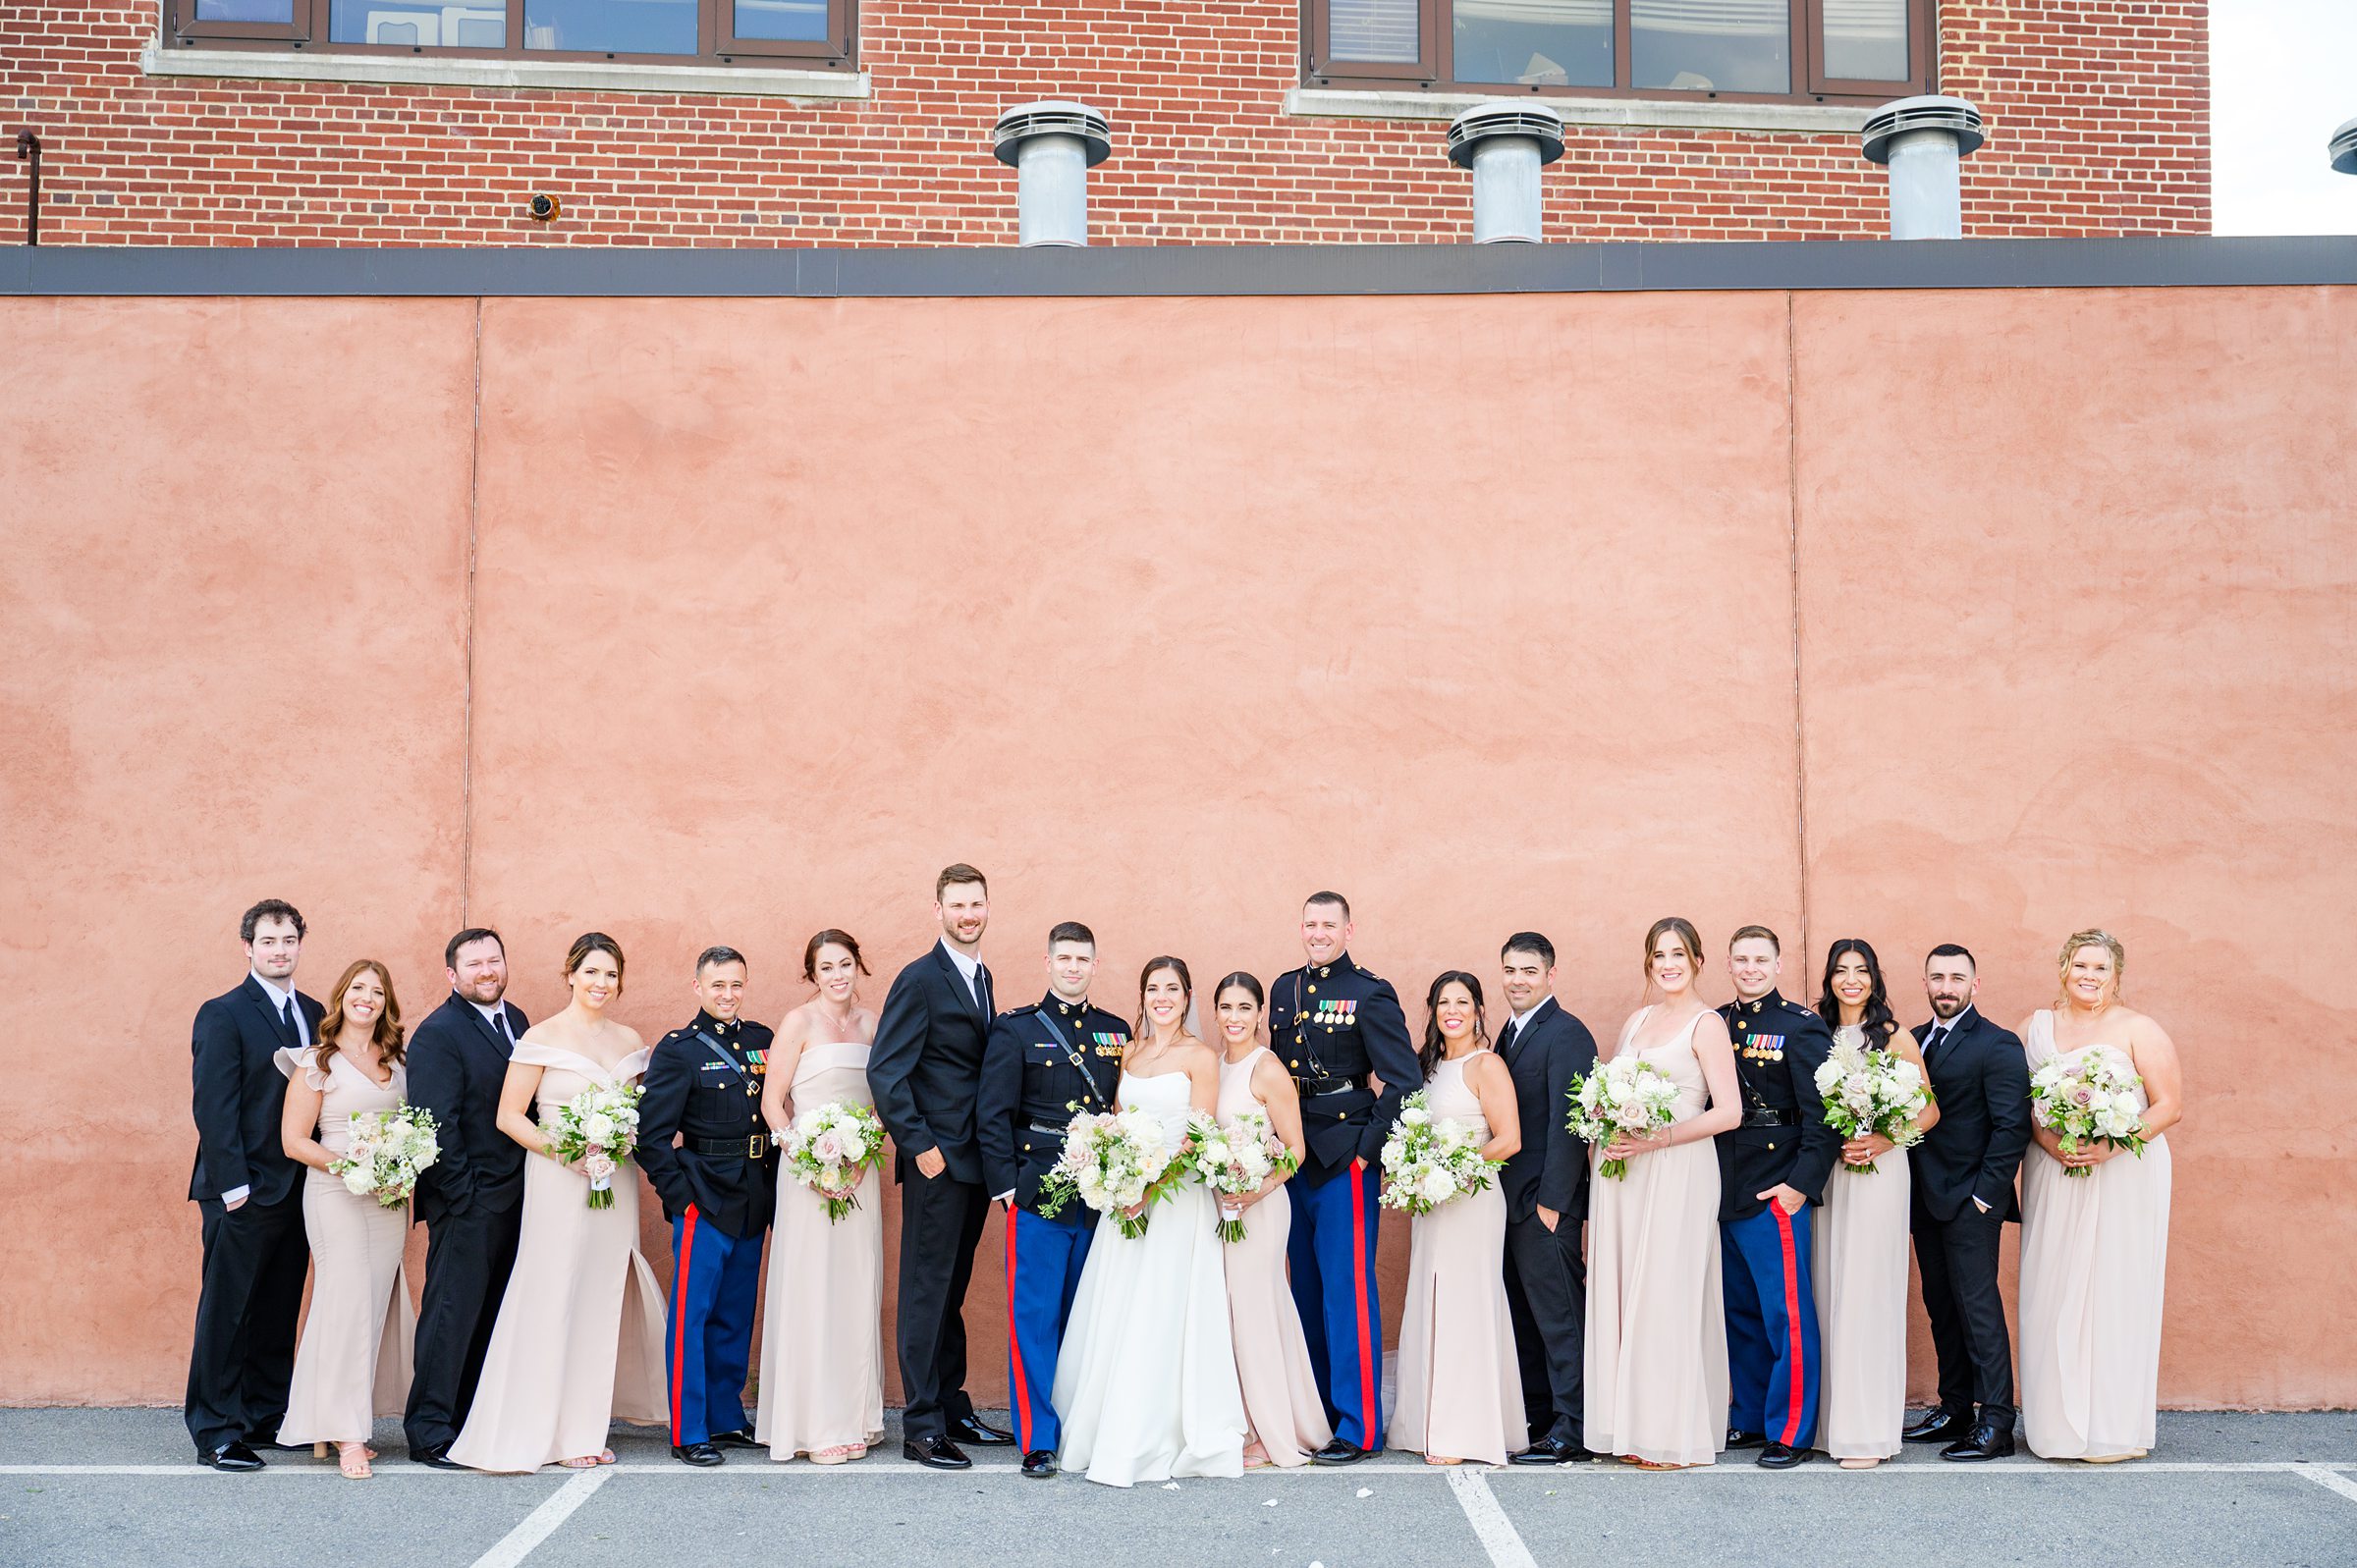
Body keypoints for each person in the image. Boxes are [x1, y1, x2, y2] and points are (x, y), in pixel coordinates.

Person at [450, 933, 666, 1472]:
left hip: (613, 1183)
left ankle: (582, 1429)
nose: (601, 983)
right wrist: (566, 1152)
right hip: (558, 1180)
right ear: (570, 974)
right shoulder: (540, 1037)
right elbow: (510, 1117)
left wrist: (615, 1143)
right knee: (553, 1294)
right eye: (591, 972)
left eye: (611, 974)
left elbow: (636, 1116)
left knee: (600, 1297)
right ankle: (535, 1428)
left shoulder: (629, 1039)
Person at [1051, 957, 1247, 1487]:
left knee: (1163, 1306)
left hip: (1175, 1199)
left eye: (1172, 989)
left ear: (1187, 997)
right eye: (1153, 989)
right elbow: (1117, 1124)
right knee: (1120, 1305)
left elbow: (1198, 1136)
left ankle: (1157, 1431)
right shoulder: (1130, 1052)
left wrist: (1149, 1188)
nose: (1162, 997)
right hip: (1127, 1199)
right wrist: (1115, 1177)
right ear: (1142, 997)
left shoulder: (1201, 1057)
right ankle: (1105, 1421)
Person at [867, 864, 1014, 1469]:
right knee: (926, 1292)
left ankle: (953, 1409)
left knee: (951, 1289)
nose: (968, 914)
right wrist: (919, 1146)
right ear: (938, 911)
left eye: (976, 904)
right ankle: (921, 1426)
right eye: (957, 905)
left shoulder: (980, 977)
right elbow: (886, 1070)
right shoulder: (920, 979)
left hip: (973, 1164)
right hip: (936, 1164)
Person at [2016, 930, 2181, 1463]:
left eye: (2101, 968)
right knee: (2053, 1284)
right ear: (2064, 968)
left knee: (2115, 1287)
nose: (2090, 976)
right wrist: (2054, 1145)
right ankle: (2055, 1426)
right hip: (2054, 1169)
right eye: (2080, 965)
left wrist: (2108, 1147)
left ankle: (2110, 1427)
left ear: (2117, 975)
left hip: (2124, 1172)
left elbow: (2168, 1105)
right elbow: (2019, 1107)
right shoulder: (2035, 1028)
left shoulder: (2139, 1029)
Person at [1268, 892, 1419, 1463]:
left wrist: (1365, 1150)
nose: (1318, 933)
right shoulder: (1284, 989)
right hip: (1293, 1154)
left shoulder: (1370, 993)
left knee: (1346, 1293)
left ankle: (1358, 1426)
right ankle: (1319, 1415)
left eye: (1329, 924)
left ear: (1349, 930)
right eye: (1310, 924)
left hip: (1344, 1157)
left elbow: (1403, 1080)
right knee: (1304, 1290)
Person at [1585, 917, 1741, 1470]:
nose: (1668, 964)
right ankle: (1628, 1425)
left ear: (1698, 960)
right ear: (1648, 963)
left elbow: (1729, 1111)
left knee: (1667, 1291)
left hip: (1677, 1169)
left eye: (1678, 953)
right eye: (1658, 955)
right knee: (1628, 1291)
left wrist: (1658, 1138)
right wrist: (1601, 1120)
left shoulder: (1707, 1026)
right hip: (1623, 1172)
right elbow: (1606, 1088)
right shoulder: (1637, 1020)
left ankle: (1669, 1432)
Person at [976, 922, 1128, 1479]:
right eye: (1063, 958)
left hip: (1100, 1196)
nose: (1072, 967)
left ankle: (1080, 1426)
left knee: (1086, 1317)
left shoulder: (1115, 1032)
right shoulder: (1015, 1030)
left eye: (1082, 959)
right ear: (1047, 963)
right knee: (1033, 1317)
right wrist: (1008, 1186)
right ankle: (1038, 1437)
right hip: (1038, 1189)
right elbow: (992, 1114)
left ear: (1094, 963)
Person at [187, 898, 321, 1472]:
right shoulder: (222, 1013)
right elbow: (213, 1108)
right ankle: (216, 1430)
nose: (279, 950)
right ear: (247, 948)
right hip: (240, 1191)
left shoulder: (316, 1011)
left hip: (298, 1189)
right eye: (268, 941)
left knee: (276, 1307)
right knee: (228, 1312)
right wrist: (233, 1186)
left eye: (288, 940)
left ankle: (265, 1415)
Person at [273, 958, 416, 1479]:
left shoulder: (398, 1059)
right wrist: (355, 1167)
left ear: (386, 1003)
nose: (367, 998)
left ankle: (339, 1419)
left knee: (371, 1306)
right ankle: (347, 1433)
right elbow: (293, 1142)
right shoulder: (316, 1061)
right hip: (335, 1192)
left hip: (389, 1199)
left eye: (377, 991)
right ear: (341, 996)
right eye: (358, 988)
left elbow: (409, 1129)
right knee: (345, 1300)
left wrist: (403, 1169)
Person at [638, 946, 776, 1466]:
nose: (727, 995)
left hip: (752, 1196)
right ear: (697, 987)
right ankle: (688, 1428)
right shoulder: (678, 1050)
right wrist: (681, 1199)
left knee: (735, 1315)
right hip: (704, 1197)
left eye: (736, 985)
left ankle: (724, 1416)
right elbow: (650, 1138)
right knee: (692, 1316)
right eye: (717, 985)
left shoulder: (762, 1041)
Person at [403, 928, 530, 1468]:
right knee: (451, 1313)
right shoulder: (439, 1033)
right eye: (474, 964)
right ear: (452, 975)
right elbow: (434, 1125)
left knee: (492, 1314)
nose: (487, 971)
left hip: (519, 1197)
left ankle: (470, 1421)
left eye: (494, 960)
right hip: (469, 1202)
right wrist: (462, 1197)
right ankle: (429, 1429)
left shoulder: (518, 1021)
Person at [757, 930, 885, 1464]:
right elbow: (772, 1103)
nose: (838, 975)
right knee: (812, 1289)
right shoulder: (798, 1022)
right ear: (812, 974)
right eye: (826, 967)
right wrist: (806, 1162)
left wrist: (862, 1152)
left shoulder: (874, 1024)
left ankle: (853, 1416)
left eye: (846, 964)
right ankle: (813, 1425)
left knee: (855, 1289)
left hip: (860, 1174)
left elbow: (885, 1098)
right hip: (807, 1177)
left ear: (859, 967)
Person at [1812, 938, 1939, 1469]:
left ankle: (1865, 1431)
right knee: (1826, 1287)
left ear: (1874, 977)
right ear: (1830, 979)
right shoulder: (1811, 1031)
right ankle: (1827, 1425)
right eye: (1841, 971)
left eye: (1861, 970)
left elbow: (1928, 1110)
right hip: (1828, 1172)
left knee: (1867, 1289)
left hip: (1879, 1171)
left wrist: (1886, 1139)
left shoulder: (1893, 1036)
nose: (1851, 980)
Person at [1716, 926, 1839, 1469]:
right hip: (1724, 1185)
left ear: (1778, 964)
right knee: (1738, 1311)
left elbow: (1823, 1117)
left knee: (1785, 1315)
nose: (1750, 969)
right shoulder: (1715, 1022)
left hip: (1775, 1187)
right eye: (1741, 959)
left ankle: (1790, 1429)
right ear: (1728, 964)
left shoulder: (1800, 1026)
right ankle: (1747, 1415)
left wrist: (1799, 1186)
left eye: (1760, 959)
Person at [1901, 944, 2030, 1462]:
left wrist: (1985, 1198)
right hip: (1924, 1199)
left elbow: (2011, 1126)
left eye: (1957, 977)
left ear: (1975, 985)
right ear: (1926, 984)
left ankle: (1996, 1422)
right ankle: (1955, 1406)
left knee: (1978, 1309)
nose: (1946, 986)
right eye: (1937, 977)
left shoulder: (1997, 1044)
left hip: (1972, 1201)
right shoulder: (1911, 1041)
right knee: (1941, 1307)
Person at [1391, 973, 1524, 1468]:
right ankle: (1425, 1421)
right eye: (1443, 1002)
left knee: (1467, 1304)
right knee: (1430, 1299)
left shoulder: (1485, 1065)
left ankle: (1465, 1430)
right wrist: (1416, 1173)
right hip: (1433, 1203)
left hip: (1472, 1199)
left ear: (1478, 1010)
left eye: (1462, 1002)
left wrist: (1453, 1172)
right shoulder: (1427, 1069)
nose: (1453, 1010)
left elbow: (1509, 1139)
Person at [1208, 972, 1328, 1470]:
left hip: (1260, 1207)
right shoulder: (1213, 1067)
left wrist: (1252, 1191)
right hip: (1221, 1206)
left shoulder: (1269, 1068)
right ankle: (1244, 1419)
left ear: (1261, 1015)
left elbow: (1296, 1151)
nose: (1234, 1018)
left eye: (1244, 1008)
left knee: (1256, 1313)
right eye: (1226, 1007)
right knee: (1231, 1316)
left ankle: (1268, 1431)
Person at [1493, 934, 1599, 1466]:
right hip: (1508, 1206)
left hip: (1545, 1205)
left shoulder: (1568, 1034)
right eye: (1510, 969)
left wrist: (1554, 1204)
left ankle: (1573, 1426)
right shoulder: (1506, 1037)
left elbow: (1571, 1123)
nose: (1518, 979)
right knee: (1525, 1316)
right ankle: (1539, 1415)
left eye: (1529, 971)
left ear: (1551, 974)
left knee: (1560, 1317)